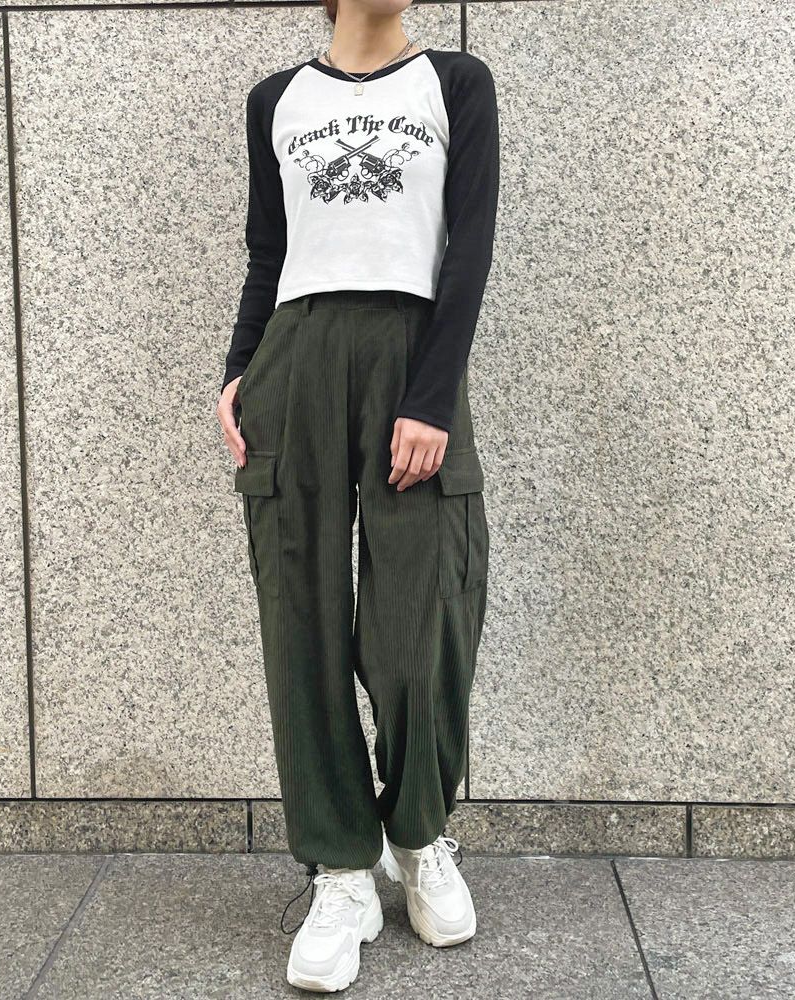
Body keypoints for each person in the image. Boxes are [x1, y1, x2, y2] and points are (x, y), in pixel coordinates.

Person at [216, 0, 500, 991]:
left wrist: (431, 397)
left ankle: (417, 834)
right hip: (294, 359)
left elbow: (468, 244)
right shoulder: (276, 101)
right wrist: (238, 370)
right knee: (299, 614)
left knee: (423, 615)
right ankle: (341, 867)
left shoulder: (455, 84)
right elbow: (268, 252)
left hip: (411, 356)